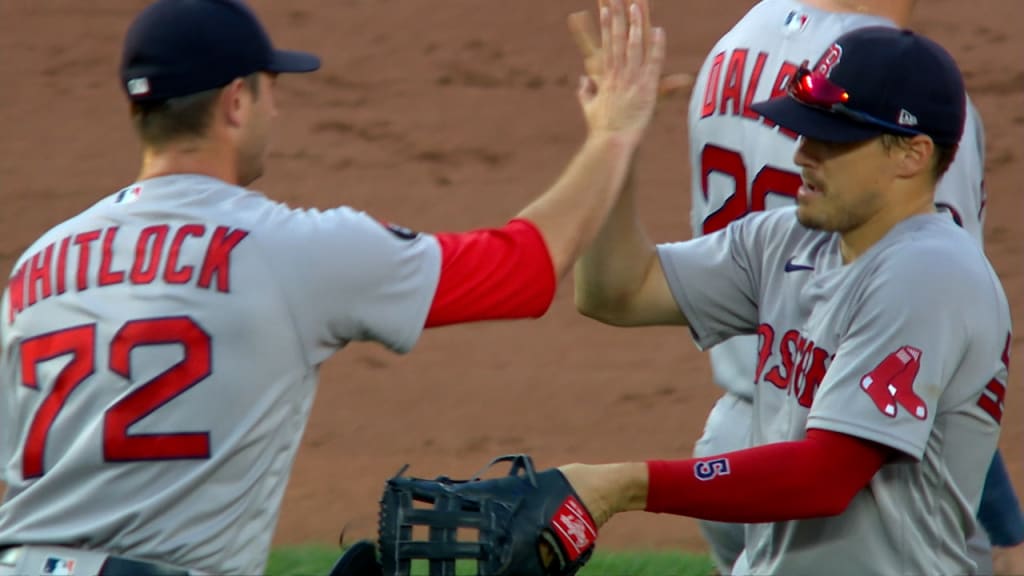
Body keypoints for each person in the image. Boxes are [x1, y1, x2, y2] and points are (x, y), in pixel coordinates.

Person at [0, 0, 665, 574]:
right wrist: (614, 133)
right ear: (237, 101)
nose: (275, 109)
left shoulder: (35, 267)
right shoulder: (290, 249)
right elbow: (521, 270)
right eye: (269, 89)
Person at [568, 1, 1023, 573]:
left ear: (913, 154)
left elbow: (826, 477)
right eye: (806, 129)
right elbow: (615, 293)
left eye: (832, 140)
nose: (803, 153)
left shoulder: (930, 274)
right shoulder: (787, 240)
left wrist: (626, 485)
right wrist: (612, 152)